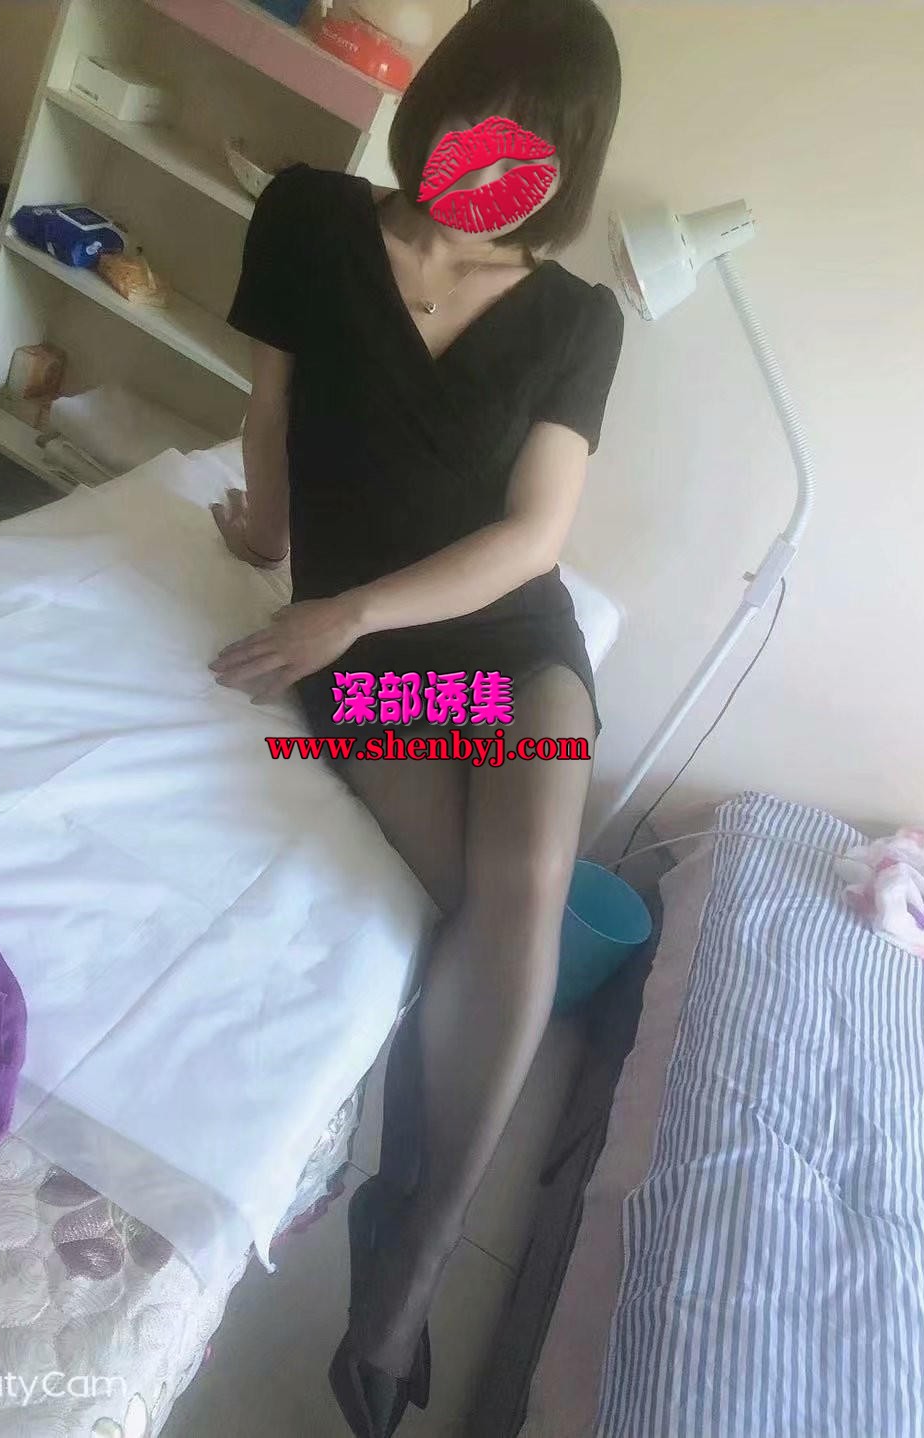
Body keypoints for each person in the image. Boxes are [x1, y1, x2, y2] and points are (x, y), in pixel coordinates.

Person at [210, 1, 624, 1432]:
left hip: (509, 646)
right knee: (482, 906)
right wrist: (271, 544)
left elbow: (534, 538)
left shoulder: (579, 319)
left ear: (568, 162)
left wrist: (345, 611)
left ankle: (409, 1266)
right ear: (438, 100)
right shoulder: (310, 217)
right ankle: (407, 1218)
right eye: (476, 114)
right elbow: (268, 416)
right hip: (375, 663)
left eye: (532, 139)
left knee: (528, 877)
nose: (488, 152)